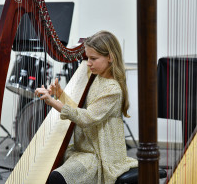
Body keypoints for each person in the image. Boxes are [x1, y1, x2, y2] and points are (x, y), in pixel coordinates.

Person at [35, 30, 138, 184]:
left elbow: (87, 117)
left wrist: (53, 102)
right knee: (47, 164)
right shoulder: (96, 78)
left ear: (110, 57)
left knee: (56, 178)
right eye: (88, 58)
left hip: (100, 155)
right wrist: (60, 94)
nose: (88, 63)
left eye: (93, 58)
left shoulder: (112, 89)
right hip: (84, 149)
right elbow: (81, 109)